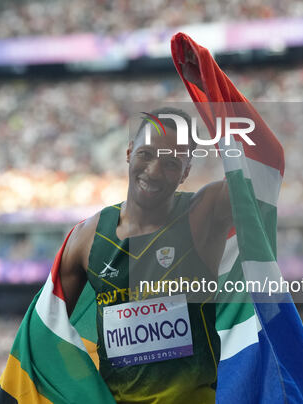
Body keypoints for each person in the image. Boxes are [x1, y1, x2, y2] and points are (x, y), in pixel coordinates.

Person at [59, 99, 234, 402]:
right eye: (146, 154)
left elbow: (263, 173)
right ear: (128, 153)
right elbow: (48, 330)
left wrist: (212, 91)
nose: (153, 171)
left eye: (170, 163)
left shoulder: (203, 214)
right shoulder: (86, 238)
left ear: (185, 172)